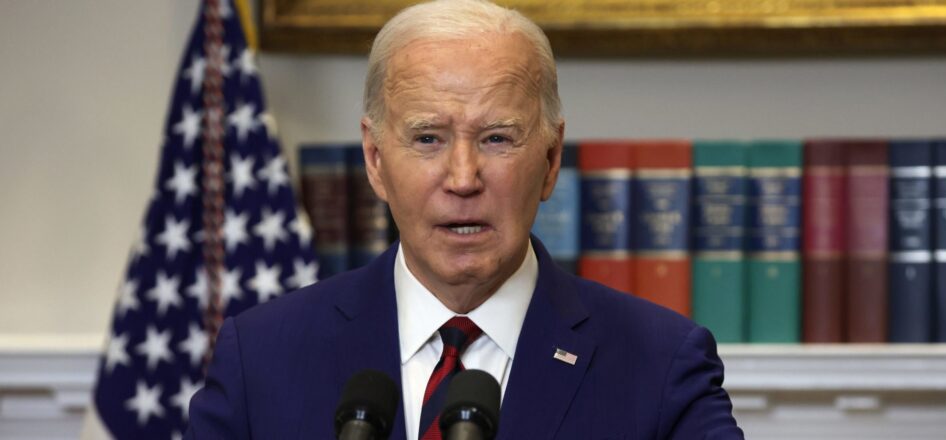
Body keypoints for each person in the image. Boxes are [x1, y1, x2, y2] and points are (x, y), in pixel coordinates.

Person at [187, 0, 744, 438]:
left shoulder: (659, 364)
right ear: (376, 161)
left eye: (497, 138)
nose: (462, 177)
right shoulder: (260, 358)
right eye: (427, 138)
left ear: (550, 161)